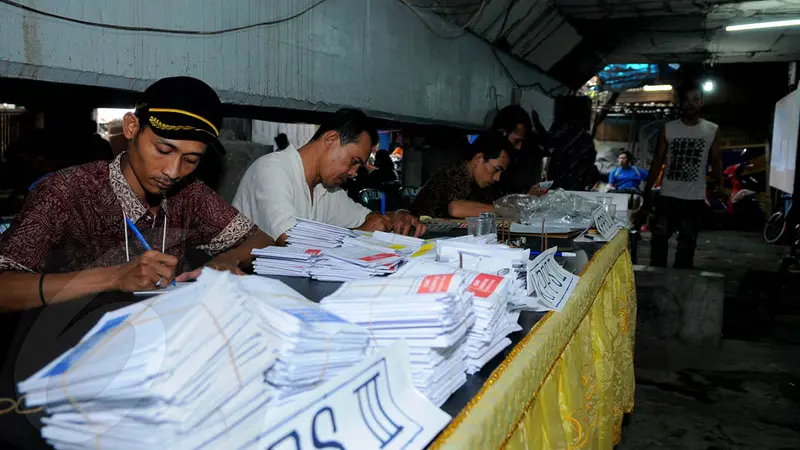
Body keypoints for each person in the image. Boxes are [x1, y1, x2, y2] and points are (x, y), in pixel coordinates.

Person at [0, 76, 274, 311]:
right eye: (164, 150)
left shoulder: (188, 195)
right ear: (132, 127)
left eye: (191, 160)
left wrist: (225, 262)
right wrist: (113, 277)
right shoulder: (65, 192)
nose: (173, 171)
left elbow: (261, 239)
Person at [233, 108, 426, 244]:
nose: (353, 173)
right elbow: (288, 239)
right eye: (354, 161)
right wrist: (358, 235)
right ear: (331, 139)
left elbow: (367, 219)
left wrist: (400, 216)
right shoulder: (273, 169)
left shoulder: (326, 188)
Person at [643, 81, 722, 269]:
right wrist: (647, 189)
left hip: (694, 198)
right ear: (680, 103)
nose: (690, 104)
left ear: (701, 102)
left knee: (687, 244)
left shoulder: (711, 130)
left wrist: (720, 185)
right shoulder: (668, 128)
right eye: (686, 100)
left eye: (695, 99)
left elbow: (717, 159)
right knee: (659, 241)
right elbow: (657, 160)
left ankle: (680, 284)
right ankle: (656, 281)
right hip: (668, 195)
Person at [410, 131, 513, 218]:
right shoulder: (453, 174)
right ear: (479, 159)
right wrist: (504, 211)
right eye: (496, 169)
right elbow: (455, 209)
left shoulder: (478, 183)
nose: (497, 177)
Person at [545, 109, 598, 191]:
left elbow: (549, 142)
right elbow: (591, 159)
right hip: (576, 181)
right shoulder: (586, 137)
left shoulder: (562, 129)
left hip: (561, 180)